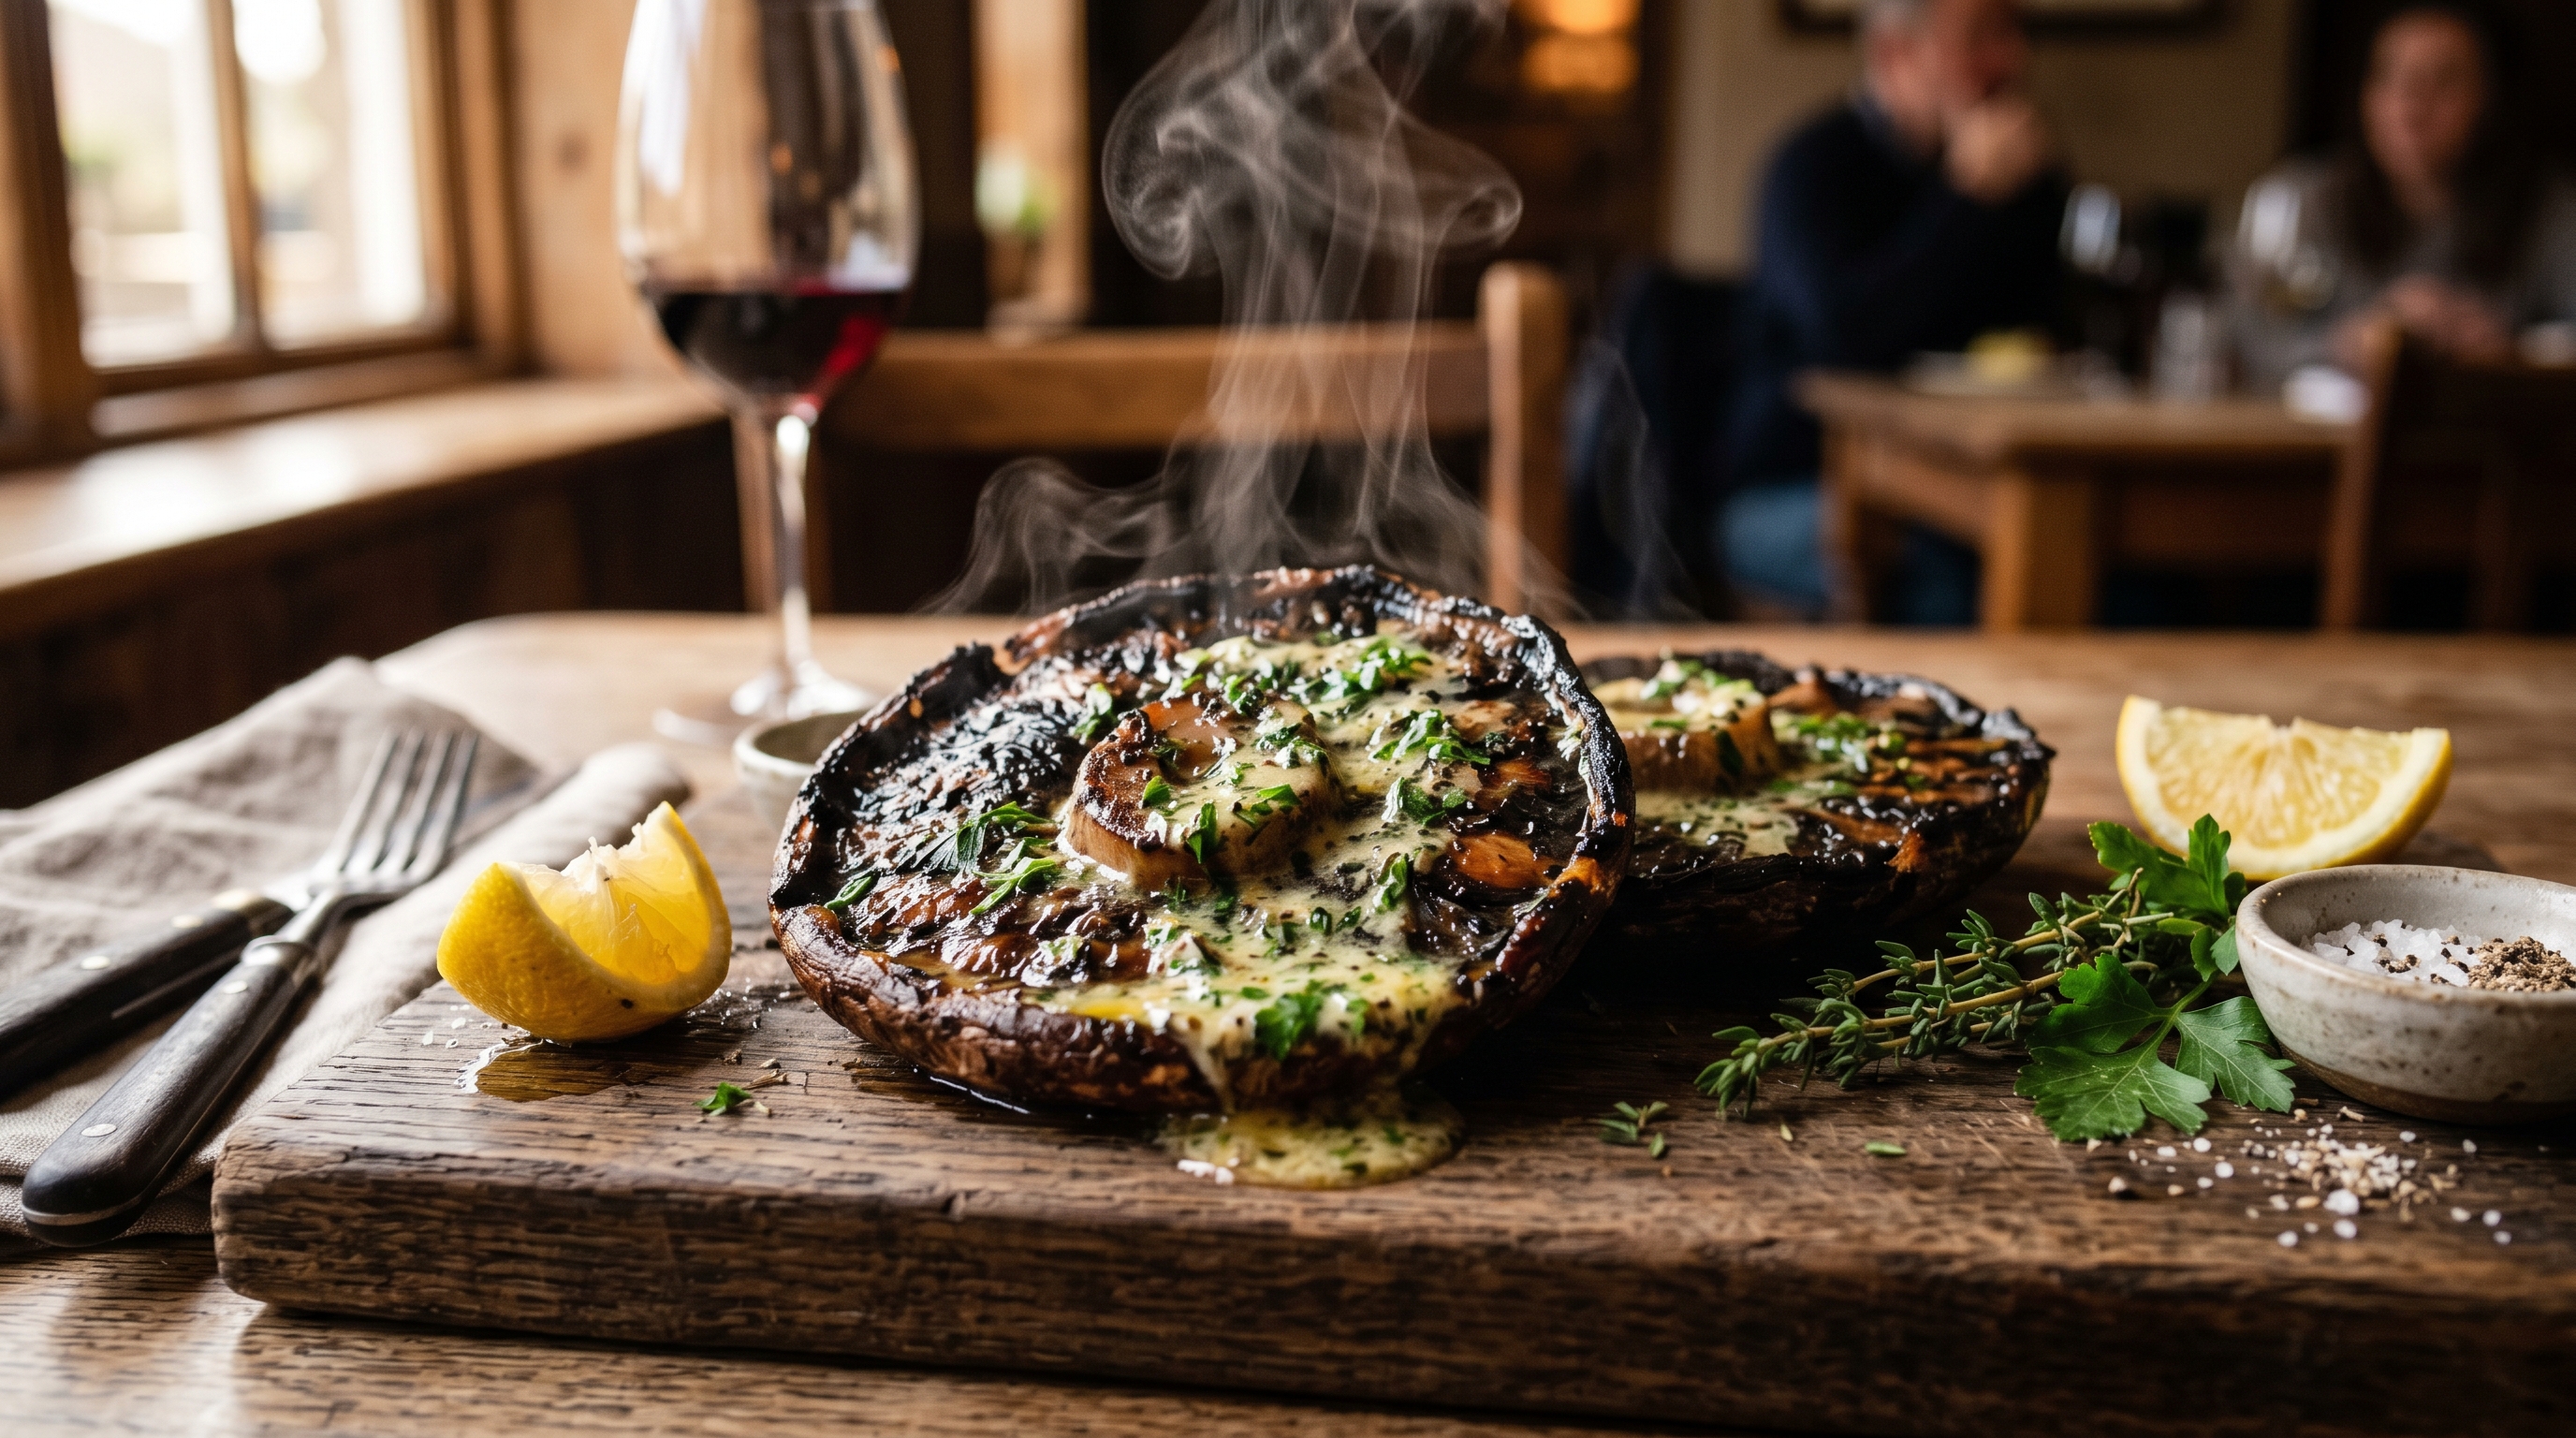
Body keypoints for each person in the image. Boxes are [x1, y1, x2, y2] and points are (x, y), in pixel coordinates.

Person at [1721, 0, 2065, 621]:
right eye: (1982, 37)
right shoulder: (1812, 166)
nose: (2012, 58)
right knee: (1941, 576)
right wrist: (1964, 199)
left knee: (2121, 583)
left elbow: (2054, 337)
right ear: (1894, 53)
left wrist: (2014, 199)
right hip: (1790, 483)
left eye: (2014, 32)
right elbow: (1847, 338)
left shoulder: (2027, 178)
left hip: (1979, 479)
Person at [2231, 5, 2576, 389]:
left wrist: (2510, 348)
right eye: (2390, 78)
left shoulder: (2548, 208)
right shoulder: (2301, 199)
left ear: (2491, 99)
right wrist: (2345, 343)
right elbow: (2240, 337)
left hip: (2491, 441)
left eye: (2442, 82)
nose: (2410, 106)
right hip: (2317, 441)